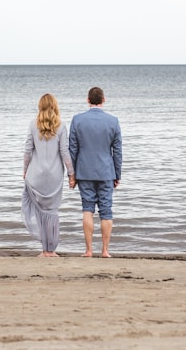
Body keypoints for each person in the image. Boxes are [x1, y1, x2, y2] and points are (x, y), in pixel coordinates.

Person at [68, 86, 122, 258]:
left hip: (84, 171)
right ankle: (105, 250)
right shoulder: (113, 121)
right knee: (106, 211)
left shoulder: (77, 120)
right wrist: (117, 174)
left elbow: (73, 149)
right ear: (103, 100)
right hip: (106, 171)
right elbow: (117, 151)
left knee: (87, 209)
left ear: (88, 100)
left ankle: (89, 250)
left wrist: (72, 174)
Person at [22, 93, 74, 257]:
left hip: (35, 175)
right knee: (52, 212)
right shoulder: (62, 125)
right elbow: (65, 152)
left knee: (40, 212)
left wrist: (24, 170)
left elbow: (27, 151)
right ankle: (51, 251)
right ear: (55, 107)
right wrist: (71, 174)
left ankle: (44, 250)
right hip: (54, 176)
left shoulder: (33, 124)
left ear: (40, 106)